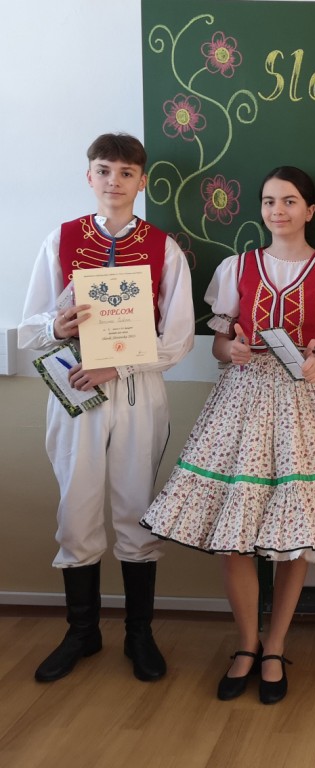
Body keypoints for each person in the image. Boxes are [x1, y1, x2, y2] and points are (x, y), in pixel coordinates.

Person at [142, 166, 315, 704]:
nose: (278, 210)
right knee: (235, 532)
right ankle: (246, 643)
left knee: (294, 533)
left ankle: (275, 645)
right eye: (269, 201)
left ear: (309, 210)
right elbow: (220, 345)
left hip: (306, 404)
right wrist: (234, 349)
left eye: (289, 201)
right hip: (242, 401)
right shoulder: (237, 266)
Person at [18, 133, 194, 684]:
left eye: (125, 172)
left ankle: (139, 634)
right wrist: (57, 325)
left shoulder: (164, 247)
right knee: (76, 510)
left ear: (142, 181)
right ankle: (82, 632)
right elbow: (30, 328)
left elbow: (179, 338)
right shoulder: (61, 239)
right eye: (103, 170)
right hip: (76, 391)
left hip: (137, 393)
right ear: (88, 176)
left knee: (136, 508)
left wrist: (117, 366)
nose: (113, 181)